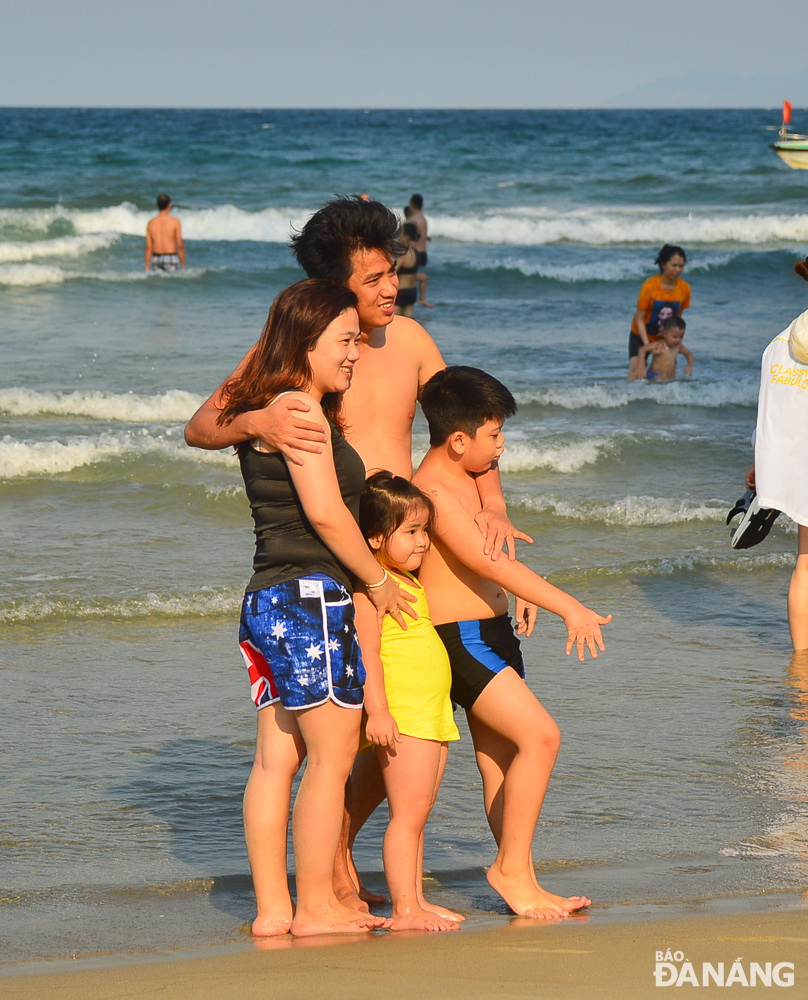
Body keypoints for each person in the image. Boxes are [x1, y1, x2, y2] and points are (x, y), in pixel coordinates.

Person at [183, 196, 530, 906]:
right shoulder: (303, 350)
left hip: (406, 549)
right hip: (341, 557)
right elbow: (201, 425)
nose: (390, 288)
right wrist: (259, 420)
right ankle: (334, 873)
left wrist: (491, 500)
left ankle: (502, 868)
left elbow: (466, 422)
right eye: (373, 279)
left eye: (392, 271)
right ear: (334, 290)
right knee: (346, 730)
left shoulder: (411, 341)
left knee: (414, 714)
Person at [222, 279, 412, 938]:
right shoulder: (299, 410)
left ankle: (275, 910)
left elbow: (207, 423)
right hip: (311, 598)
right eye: (345, 340)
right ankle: (316, 908)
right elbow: (328, 513)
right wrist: (377, 583)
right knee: (330, 761)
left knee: (277, 761)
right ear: (306, 342)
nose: (355, 352)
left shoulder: (266, 404)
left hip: (265, 598)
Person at [413, 366, 612, 919]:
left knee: (501, 762)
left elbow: (489, 561)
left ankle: (520, 876)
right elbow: (483, 558)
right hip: (463, 639)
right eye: (494, 435)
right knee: (542, 738)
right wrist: (567, 605)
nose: (501, 447)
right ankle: (508, 871)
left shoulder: (471, 480)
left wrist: (511, 589)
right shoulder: (433, 492)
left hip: (494, 632)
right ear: (458, 441)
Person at [355, 472, 463, 931]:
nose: (423, 542)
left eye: (425, 531)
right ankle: (404, 910)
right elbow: (367, 654)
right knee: (408, 815)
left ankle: (415, 899)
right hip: (406, 714)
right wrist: (377, 711)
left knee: (419, 814)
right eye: (411, 532)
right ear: (376, 537)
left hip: (432, 712)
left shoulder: (407, 581)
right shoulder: (371, 589)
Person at [747, 295, 808, 650]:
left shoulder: (780, 343)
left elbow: (769, 412)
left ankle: (801, 662)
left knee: (806, 562)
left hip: (798, 464)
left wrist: (761, 460)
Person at [628, 244, 690, 379]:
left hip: (664, 337)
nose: (677, 270)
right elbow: (639, 318)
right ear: (663, 264)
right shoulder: (649, 286)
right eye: (674, 265)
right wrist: (647, 345)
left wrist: (670, 340)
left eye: (681, 266)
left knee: (666, 376)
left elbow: (677, 317)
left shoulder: (685, 289)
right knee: (635, 374)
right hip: (640, 334)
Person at [637, 315, 694, 380]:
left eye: (681, 337)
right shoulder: (659, 345)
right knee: (663, 379)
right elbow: (642, 349)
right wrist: (641, 365)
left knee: (678, 381)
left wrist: (689, 365)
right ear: (665, 334)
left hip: (668, 377)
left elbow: (689, 354)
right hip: (653, 374)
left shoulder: (679, 347)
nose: (678, 340)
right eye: (675, 337)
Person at [145, 194, 185, 272]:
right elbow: (180, 245)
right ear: (169, 205)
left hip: (156, 257)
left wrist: (147, 266)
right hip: (171, 256)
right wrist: (183, 264)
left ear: (157, 205)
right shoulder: (175, 222)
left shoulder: (151, 223)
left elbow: (149, 247)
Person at [408, 194, 433, 307]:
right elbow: (422, 234)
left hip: (416, 252)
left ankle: (420, 298)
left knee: (408, 275)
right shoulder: (424, 219)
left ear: (411, 205)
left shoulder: (412, 220)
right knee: (411, 276)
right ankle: (420, 298)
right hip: (423, 252)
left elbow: (411, 238)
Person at [394, 222, 419, 317]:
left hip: (402, 292)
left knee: (394, 324)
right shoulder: (414, 253)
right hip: (412, 291)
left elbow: (394, 270)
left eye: (401, 234)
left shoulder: (403, 254)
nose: (399, 237)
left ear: (407, 237)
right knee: (409, 322)